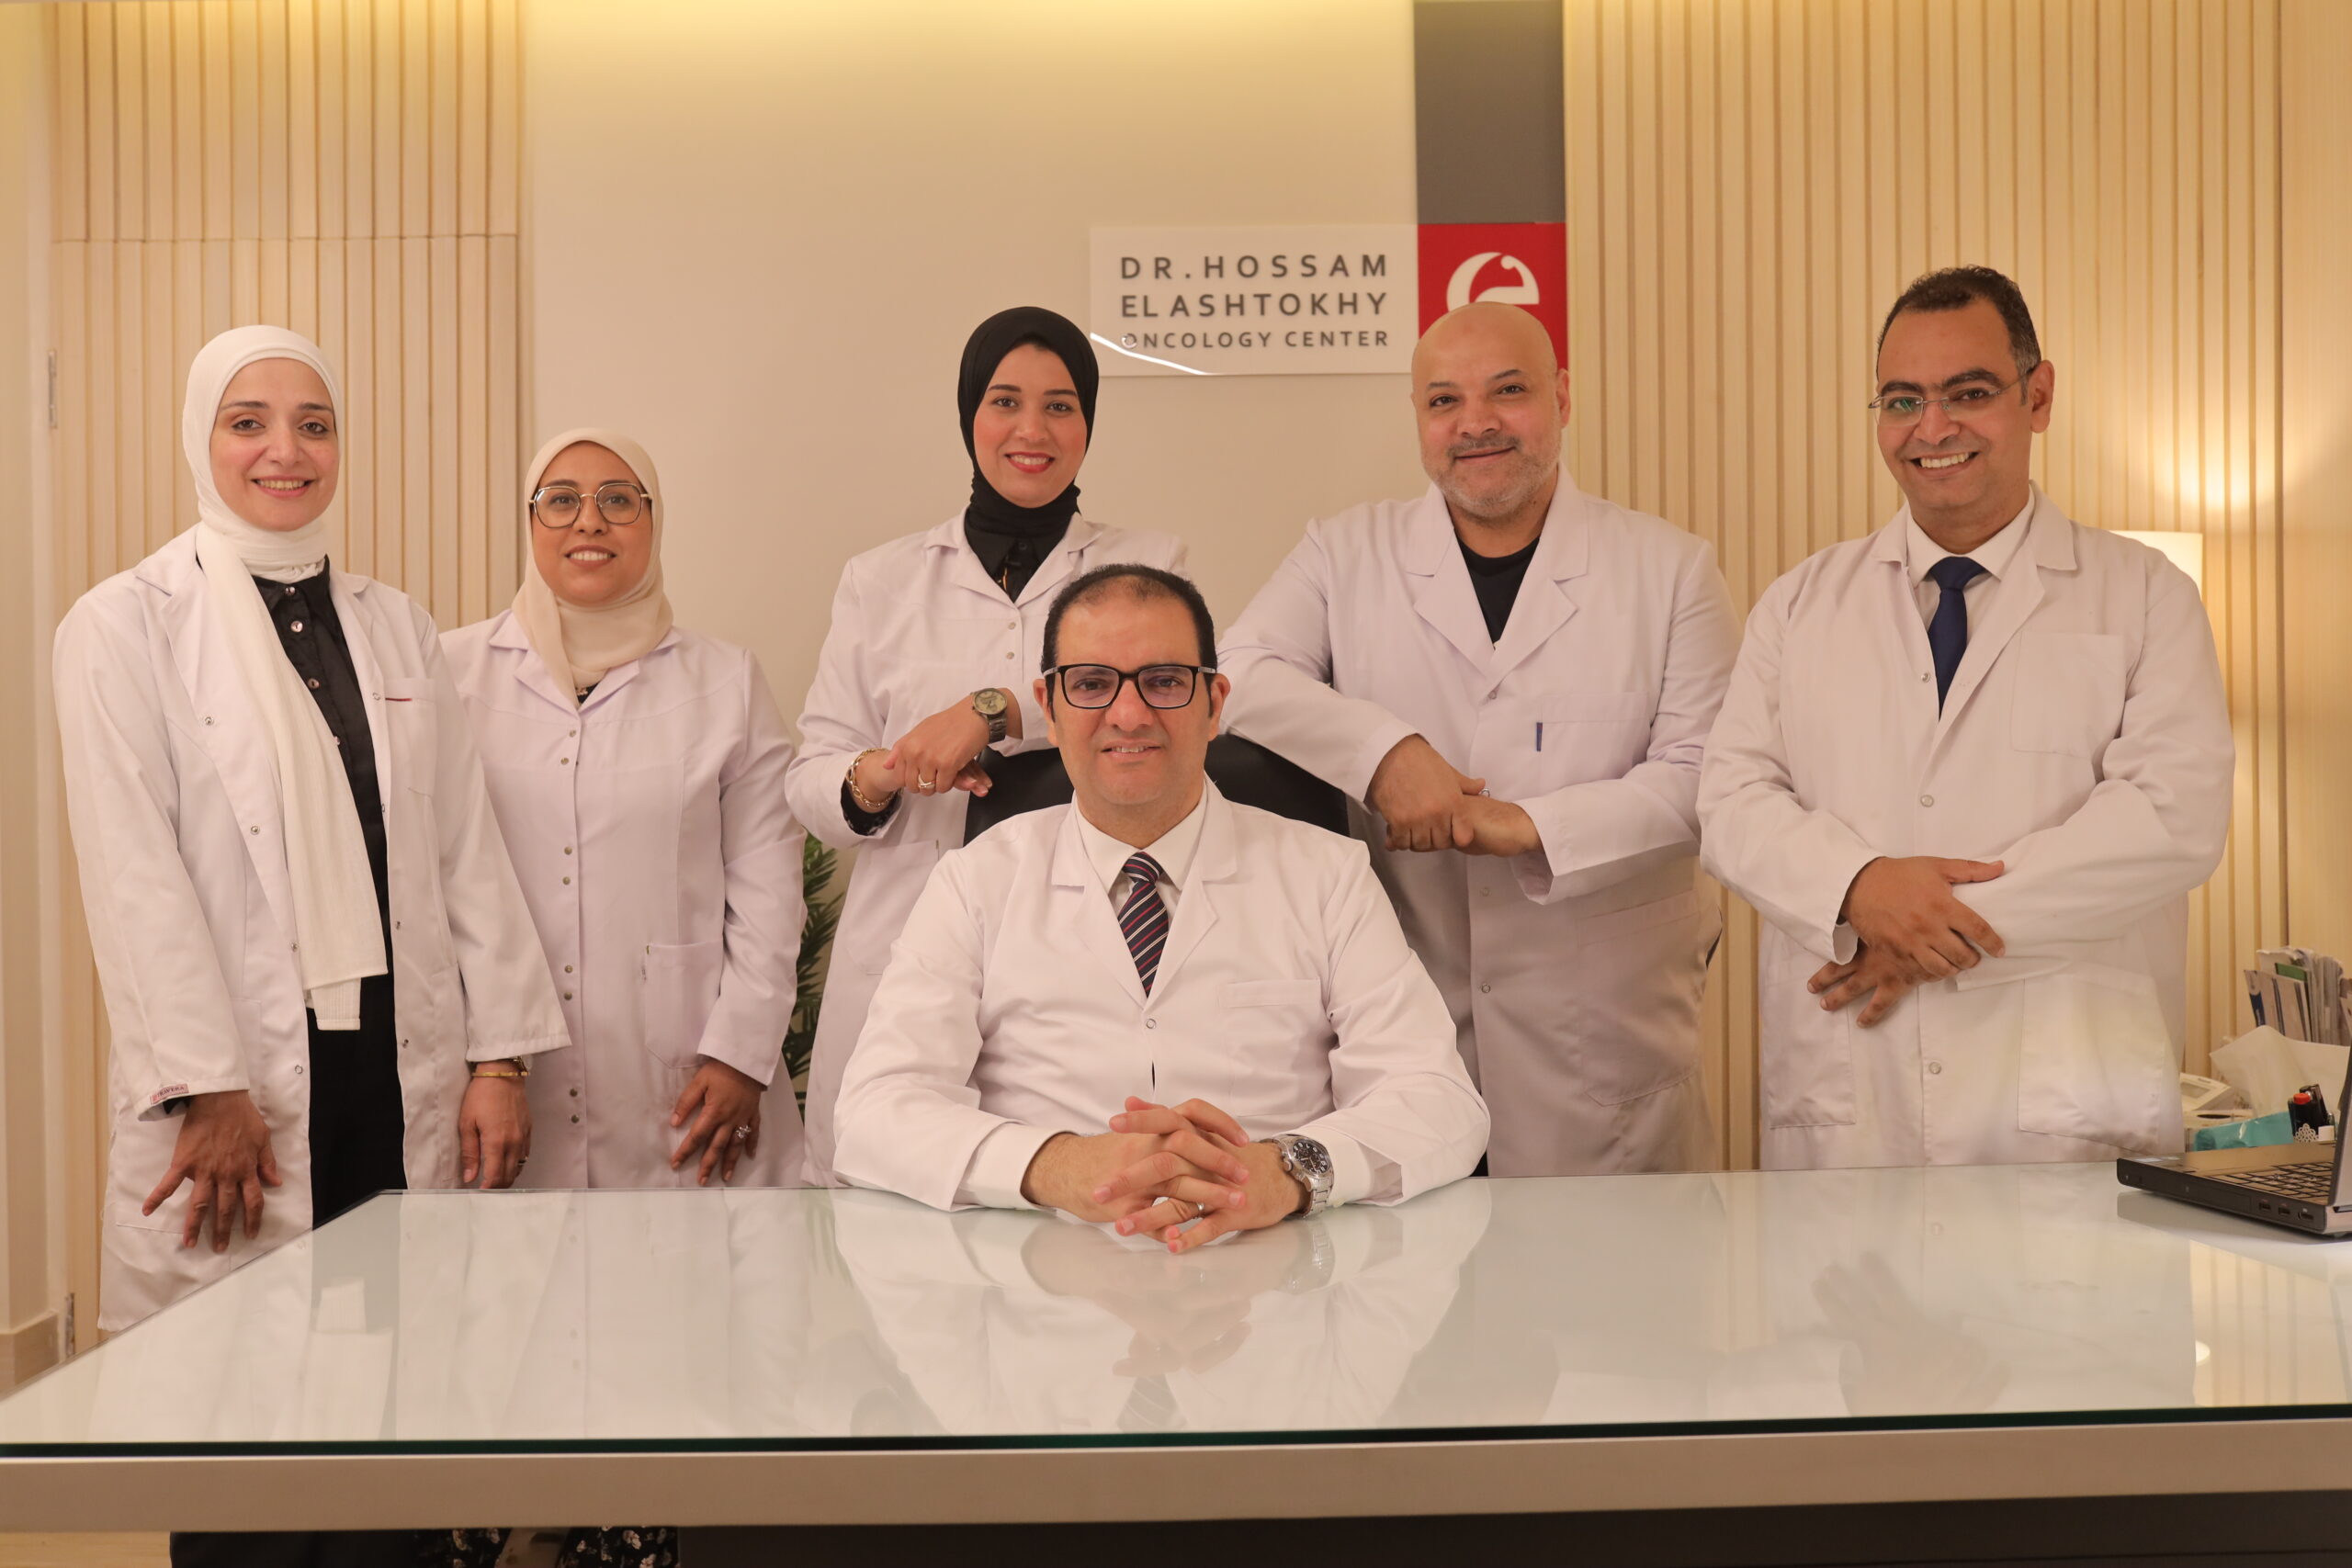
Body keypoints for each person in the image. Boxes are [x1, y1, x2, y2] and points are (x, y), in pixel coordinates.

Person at [53, 325, 567, 1568]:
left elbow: (461, 847)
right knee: (245, 1445)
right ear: (201, 439)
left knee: (394, 1417)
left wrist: (498, 1058)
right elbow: (134, 875)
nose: (285, 450)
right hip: (242, 1085)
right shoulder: (124, 624)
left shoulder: (396, 627)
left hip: (392, 1072)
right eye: (249, 422)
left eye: (314, 424)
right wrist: (206, 1085)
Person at [1698, 265, 2233, 1168]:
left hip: (2065, 1102)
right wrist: (1857, 888)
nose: (1933, 427)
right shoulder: (1799, 603)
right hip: (1853, 1104)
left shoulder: (2147, 595)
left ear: (2038, 396)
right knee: (1846, 1261)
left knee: (2069, 1265)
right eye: (1902, 400)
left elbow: (2168, 821)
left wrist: (1926, 931)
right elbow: (1730, 802)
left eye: (1969, 393)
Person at [1218, 302, 1740, 1177]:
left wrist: (1526, 826)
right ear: (1418, 419)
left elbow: (1705, 781)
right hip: (1411, 1031)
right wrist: (1385, 754)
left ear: (1561, 397)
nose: (1476, 423)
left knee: (1626, 1264)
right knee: (1420, 1257)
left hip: (1602, 1039)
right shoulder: (1344, 553)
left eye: (1508, 391)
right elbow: (1240, 672)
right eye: (1444, 401)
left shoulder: (1670, 569)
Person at [831, 565, 1488, 1247]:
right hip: (1044, 1277)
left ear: (1214, 703)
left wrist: (1289, 1170)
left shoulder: (1328, 874)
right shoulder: (975, 883)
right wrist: (1051, 1164)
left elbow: (1441, 1101)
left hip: (1279, 1274)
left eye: (1165, 681)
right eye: (1092, 684)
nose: (1129, 714)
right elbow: (874, 1110)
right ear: (1048, 707)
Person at [787, 306, 1185, 1184]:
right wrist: (879, 773)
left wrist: (996, 711)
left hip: (1081, 952)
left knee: (1073, 1192)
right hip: (904, 940)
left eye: (1060, 405)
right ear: (970, 414)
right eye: (1005, 401)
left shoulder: (1150, 566)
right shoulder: (881, 579)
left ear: (1088, 423)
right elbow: (812, 778)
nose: (1031, 430)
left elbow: (1169, 709)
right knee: (888, 1199)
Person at [443, 429, 806, 1188]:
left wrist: (741, 1052)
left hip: (688, 1073)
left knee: (696, 1262)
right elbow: (431, 879)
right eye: (560, 500)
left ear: (653, 519)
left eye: (618, 500)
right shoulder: (452, 673)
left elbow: (769, 889)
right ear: (530, 522)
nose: (589, 520)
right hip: (500, 1071)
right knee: (514, 1260)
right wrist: (490, 1055)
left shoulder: (726, 682)